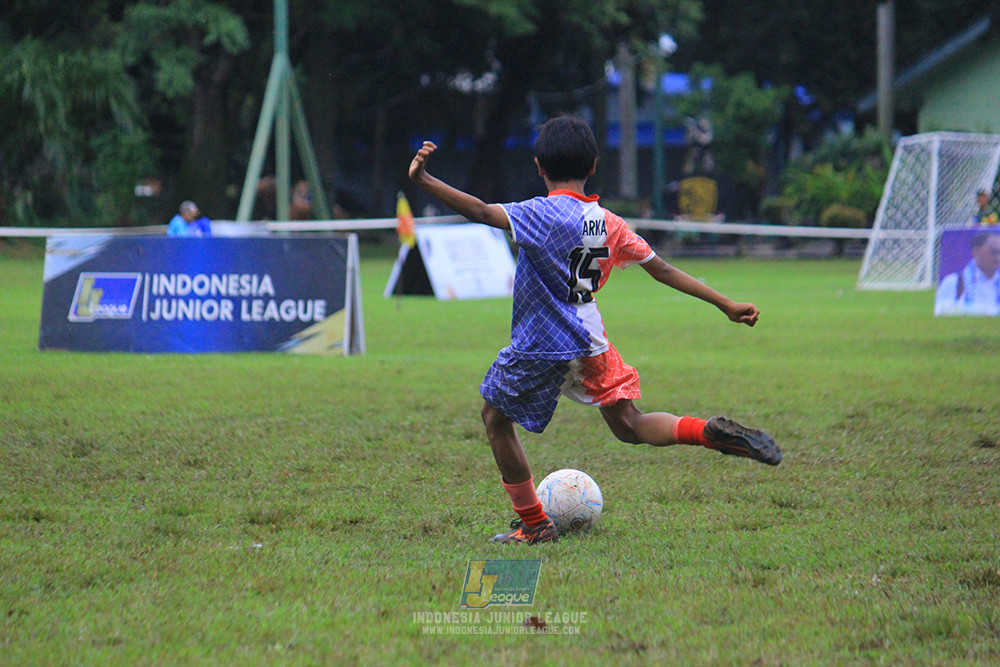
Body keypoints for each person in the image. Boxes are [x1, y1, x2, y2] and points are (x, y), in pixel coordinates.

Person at [408, 116, 782, 545]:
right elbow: (661, 269)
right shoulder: (609, 223)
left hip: (543, 344)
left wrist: (425, 180)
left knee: (495, 418)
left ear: (539, 166)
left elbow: (478, 211)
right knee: (629, 425)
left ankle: (533, 522)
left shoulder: (538, 213)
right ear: (593, 165)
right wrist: (726, 304)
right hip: (590, 338)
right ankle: (706, 432)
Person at [935, 230, 1000, 316]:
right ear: (976, 252)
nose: (998, 258)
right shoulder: (953, 282)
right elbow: (942, 313)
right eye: (994, 252)